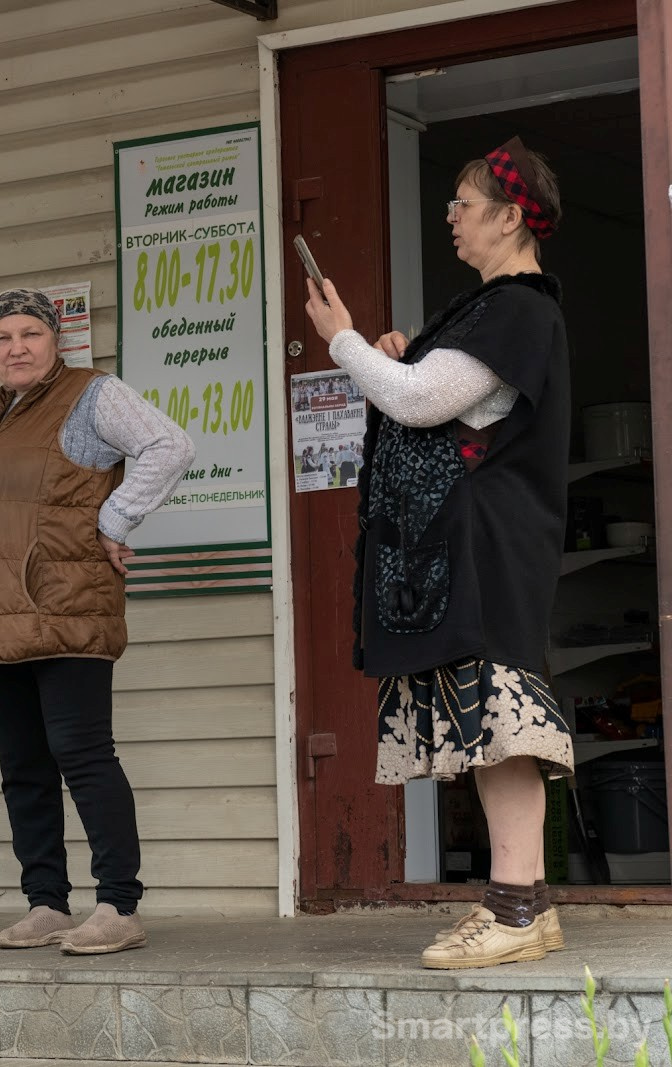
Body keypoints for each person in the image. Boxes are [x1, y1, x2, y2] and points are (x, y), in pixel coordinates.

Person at [303, 136, 571, 969]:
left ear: (507, 213)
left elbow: (421, 403)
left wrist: (344, 342)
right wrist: (395, 358)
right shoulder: (485, 305)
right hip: (466, 545)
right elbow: (435, 392)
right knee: (486, 726)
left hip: (487, 545)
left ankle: (521, 909)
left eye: (462, 202)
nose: (450, 216)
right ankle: (516, 904)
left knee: (504, 719)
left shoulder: (520, 306)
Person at [0, 288, 193, 956]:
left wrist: (114, 518)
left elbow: (169, 445)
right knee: (22, 765)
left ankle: (119, 902)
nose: (17, 347)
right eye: (3, 337)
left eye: (31, 333)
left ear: (56, 341)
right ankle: (47, 901)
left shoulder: (90, 394)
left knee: (82, 755)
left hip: (64, 604)